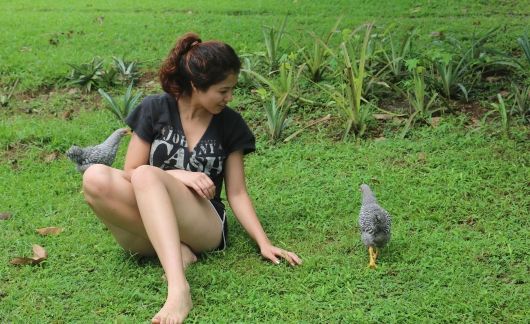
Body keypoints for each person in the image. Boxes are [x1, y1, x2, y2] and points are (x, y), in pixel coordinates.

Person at [82, 32, 302, 324]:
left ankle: (178, 290)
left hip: (204, 221)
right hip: (155, 209)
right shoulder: (155, 109)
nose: (229, 98)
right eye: (223, 91)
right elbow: (129, 171)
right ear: (197, 85)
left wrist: (264, 242)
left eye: (231, 90)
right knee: (95, 176)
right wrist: (179, 174)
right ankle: (178, 253)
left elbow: (236, 193)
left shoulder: (230, 124)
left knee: (148, 175)